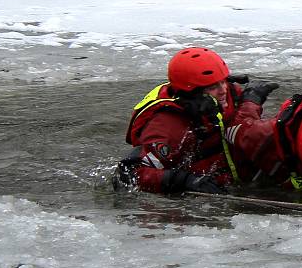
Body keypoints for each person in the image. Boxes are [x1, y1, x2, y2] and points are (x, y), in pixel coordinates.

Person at [114, 46, 278, 194]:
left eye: (223, 82)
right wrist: (185, 181)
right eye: (213, 87)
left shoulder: (229, 94)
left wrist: (250, 103)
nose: (223, 90)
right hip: (210, 195)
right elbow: (130, 175)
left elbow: (240, 131)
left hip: (245, 179)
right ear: (192, 92)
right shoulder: (169, 124)